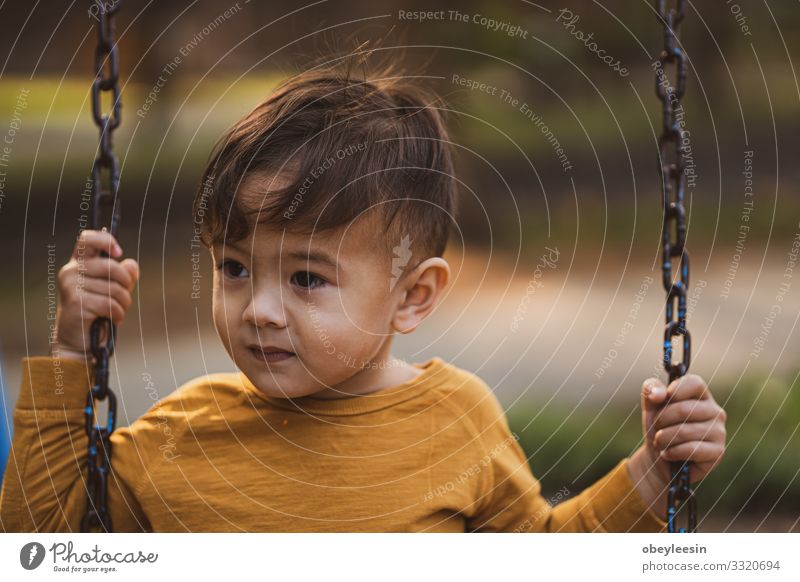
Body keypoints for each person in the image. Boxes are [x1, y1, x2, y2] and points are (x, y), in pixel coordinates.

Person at [0, 59, 726, 532]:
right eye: (234, 268)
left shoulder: (454, 419)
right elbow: (40, 538)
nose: (258, 309)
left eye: (308, 279)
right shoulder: (183, 435)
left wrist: (654, 473)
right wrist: (71, 352)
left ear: (413, 298)